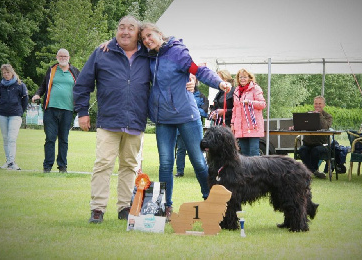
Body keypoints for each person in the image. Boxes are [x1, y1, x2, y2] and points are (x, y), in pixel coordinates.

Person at [140, 22, 231, 220]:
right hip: (163, 118)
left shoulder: (177, 53)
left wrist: (219, 82)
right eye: (144, 38)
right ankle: (165, 208)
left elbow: (198, 70)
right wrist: (108, 44)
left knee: (198, 161)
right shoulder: (147, 55)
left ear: (159, 34)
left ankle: (211, 203)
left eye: (149, 35)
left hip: (186, 115)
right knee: (165, 164)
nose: (147, 40)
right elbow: (125, 44)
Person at [73, 15, 151, 224]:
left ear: (139, 33)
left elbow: (170, 62)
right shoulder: (102, 52)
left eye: (131, 28)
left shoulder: (149, 55)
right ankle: (97, 209)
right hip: (109, 120)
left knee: (130, 166)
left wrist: (191, 79)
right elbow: (82, 84)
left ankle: (125, 207)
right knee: (103, 165)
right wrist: (82, 112)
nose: (125, 32)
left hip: (135, 121)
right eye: (121, 27)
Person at [31, 48, 80, 173]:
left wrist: (81, 106)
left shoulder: (74, 72)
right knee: (50, 138)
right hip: (51, 109)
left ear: (69, 58)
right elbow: (43, 86)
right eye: (60, 56)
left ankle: (62, 167)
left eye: (65, 56)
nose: (63, 58)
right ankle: (47, 167)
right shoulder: (52, 70)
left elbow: (81, 88)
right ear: (57, 57)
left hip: (67, 110)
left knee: (63, 139)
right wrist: (37, 94)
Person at [0, 64, 28, 170]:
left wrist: (20, 111)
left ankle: (11, 162)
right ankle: (8, 161)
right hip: (2, 114)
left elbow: (25, 100)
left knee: (12, 138)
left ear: (12, 72)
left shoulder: (20, 85)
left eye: (7, 72)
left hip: (16, 114)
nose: (6, 74)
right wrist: (1, 107)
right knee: (5, 139)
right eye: (4, 73)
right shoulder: (0, 86)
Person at [175, 74, 209, 177]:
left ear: (196, 81)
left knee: (196, 150)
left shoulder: (202, 96)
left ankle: (200, 171)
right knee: (180, 149)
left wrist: (191, 107)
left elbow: (204, 112)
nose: (191, 79)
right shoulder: (179, 94)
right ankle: (179, 171)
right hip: (180, 127)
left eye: (193, 78)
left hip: (194, 128)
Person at [231, 68, 266, 156]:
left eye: (244, 77)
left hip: (253, 126)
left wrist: (250, 103)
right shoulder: (236, 91)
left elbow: (262, 104)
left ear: (250, 78)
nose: (242, 79)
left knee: (254, 153)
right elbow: (235, 109)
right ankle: (246, 170)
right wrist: (232, 124)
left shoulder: (255, 88)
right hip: (240, 128)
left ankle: (257, 170)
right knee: (244, 153)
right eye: (240, 77)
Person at [296, 96, 333, 179]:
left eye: (320, 104)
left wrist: (319, 115)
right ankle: (313, 171)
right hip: (308, 143)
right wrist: (294, 126)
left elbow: (325, 126)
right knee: (302, 150)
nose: (317, 105)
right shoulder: (308, 114)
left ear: (324, 105)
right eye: (316, 103)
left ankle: (310, 172)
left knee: (315, 150)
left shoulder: (328, 116)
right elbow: (301, 124)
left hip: (321, 144)